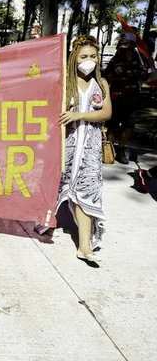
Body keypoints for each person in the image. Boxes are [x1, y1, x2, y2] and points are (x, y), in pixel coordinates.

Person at [57, 35, 112, 263]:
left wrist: (79, 114)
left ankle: (84, 247)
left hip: (89, 149)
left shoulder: (102, 84)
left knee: (86, 193)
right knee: (58, 187)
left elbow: (106, 113)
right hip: (66, 146)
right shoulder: (64, 82)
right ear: (74, 58)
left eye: (93, 56)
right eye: (83, 57)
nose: (89, 61)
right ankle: (45, 222)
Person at [104, 33, 149, 164]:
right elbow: (107, 77)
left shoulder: (139, 59)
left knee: (129, 125)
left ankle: (121, 149)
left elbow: (144, 77)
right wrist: (114, 73)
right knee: (112, 124)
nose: (123, 46)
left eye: (126, 43)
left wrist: (145, 70)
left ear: (133, 45)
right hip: (116, 96)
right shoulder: (115, 59)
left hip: (133, 97)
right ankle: (108, 148)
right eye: (121, 43)